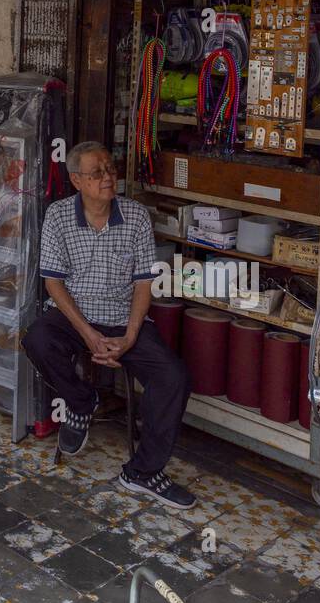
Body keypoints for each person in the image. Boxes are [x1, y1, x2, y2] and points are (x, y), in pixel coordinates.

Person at [22, 140, 195, 510]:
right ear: (77, 181)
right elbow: (53, 283)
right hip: (75, 316)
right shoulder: (58, 216)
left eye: (110, 169)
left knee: (173, 376)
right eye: (96, 172)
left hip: (123, 318)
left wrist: (129, 337)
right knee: (37, 338)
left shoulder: (135, 216)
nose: (107, 177)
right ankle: (81, 401)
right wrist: (90, 335)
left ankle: (143, 472)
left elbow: (143, 282)